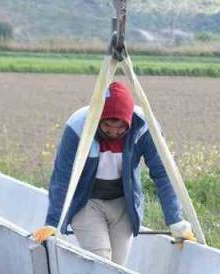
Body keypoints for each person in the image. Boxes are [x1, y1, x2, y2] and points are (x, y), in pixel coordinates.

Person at [31, 81, 195, 264]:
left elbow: (163, 174)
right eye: (108, 126)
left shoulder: (144, 127)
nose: (114, 132)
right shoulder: (77, 127)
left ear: (129, 122)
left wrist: (176, 221)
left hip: (122, 203)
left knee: (117, 266)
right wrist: (53, 223)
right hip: (86, 202)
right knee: (101, 260)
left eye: (121, 127)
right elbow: (62, 178)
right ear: (99, 118)